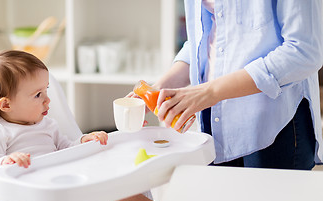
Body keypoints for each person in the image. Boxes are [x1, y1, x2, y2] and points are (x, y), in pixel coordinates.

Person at [0, 50, 158, 201]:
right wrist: (6, 161)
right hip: (40, 193)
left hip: (70, 182)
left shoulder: (47, 124)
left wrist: (83, 142)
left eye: (46, 90)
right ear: (6, 105)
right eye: (38, 95)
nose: (47, 100)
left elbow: (65, 147)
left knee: (113, 185)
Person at [132, 1, 323, 169]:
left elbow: (304, 51)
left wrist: (209, 92)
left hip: (273, 123)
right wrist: (159, 88)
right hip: (215, 118)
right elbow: (203, 36)